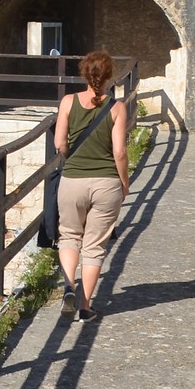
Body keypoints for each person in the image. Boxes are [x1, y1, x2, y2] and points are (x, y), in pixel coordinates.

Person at [55, 49, 130, 323]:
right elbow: (119, 152)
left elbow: (60, 144)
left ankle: (69, 286)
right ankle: (85, 307)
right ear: (110, 76)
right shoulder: (117, 108)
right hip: (107, 182)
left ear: (84, 74)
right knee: (95, 245)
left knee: (69, 236)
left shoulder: (67, 102)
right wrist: (124, 183)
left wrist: (72, 160)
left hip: (73, 179)